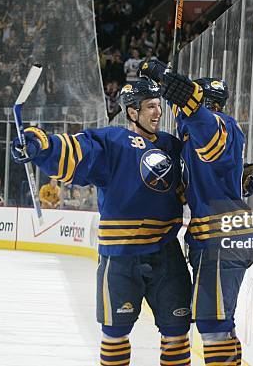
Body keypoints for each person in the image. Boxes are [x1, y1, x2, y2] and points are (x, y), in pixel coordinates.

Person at [11, 80, 192, 366]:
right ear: (132, 112)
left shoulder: (172, 146)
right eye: (150, 107)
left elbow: (203, 172)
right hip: (120, 258)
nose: (158, 113)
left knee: (177, 334)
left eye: (159, 106)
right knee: (115, 335)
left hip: (166, 253)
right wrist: (39, 145)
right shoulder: (112, 143)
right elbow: (76, 151)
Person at [140, 60, 253, 365]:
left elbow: (202, 123)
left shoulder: (217, 125)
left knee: (212, 325)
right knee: (221, 321)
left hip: (221, 236)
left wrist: (165, 77)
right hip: (218, 235)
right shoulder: (192, 142)